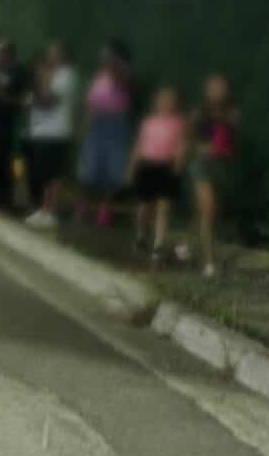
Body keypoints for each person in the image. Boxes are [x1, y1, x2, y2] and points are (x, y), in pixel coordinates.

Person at [128, 86, 187, 265]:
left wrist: (178, 165)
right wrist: (132, 166)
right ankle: (141, 236)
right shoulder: (149, 122)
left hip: (167, 167)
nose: (166, 103)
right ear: (157, 102)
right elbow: (139, 144)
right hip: (148, 165)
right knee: (144, 207)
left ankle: (158, 244)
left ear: (175, 103)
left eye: (170, 100)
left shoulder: (179, 123)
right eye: (163, 99)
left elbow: (182, 145)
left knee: (164, 208)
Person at [76, 41, 133, 228]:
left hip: (116, 124)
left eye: (108, 55)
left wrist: (115, 63)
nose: (104, 59)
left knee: (112, 171)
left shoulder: (124, 73)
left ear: (117, 57)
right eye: (103, 55)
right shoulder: (99, 78)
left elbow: (121, 79)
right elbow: (91, 105)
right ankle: (84, 206)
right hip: (97, 124)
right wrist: (85, 127)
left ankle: (105, 210)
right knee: (89, 169)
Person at [189, 74, 237, 278]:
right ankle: (209, 262)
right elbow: (192, 141)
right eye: (214, 87)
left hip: (221, 166)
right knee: (209, 209)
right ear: (207, 91)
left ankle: (189, 244)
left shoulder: (232, 114)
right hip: (202, 165)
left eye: (221, 87)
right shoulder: (198, 113)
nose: (218, 91)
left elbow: (232, 144)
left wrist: (226, 150)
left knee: (207, 211)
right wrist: (208, 148)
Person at [23, 41, 76, 227]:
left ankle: (52, 212)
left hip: (56, 133)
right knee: (45, 173)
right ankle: (44, 210)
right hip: (42, 132)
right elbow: (33, 100)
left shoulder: (66, 75)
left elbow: (49, 99)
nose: (49, 57)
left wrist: (42, 78)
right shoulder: (52, 75)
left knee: (54, 174)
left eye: (53, 54)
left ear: (62, 56)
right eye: (49, 53)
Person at [0, 41, 26, 211]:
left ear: (9, 55)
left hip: (9, 123)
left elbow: (22, 100)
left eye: (1, 52)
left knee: (6, 161)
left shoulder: (18, 72)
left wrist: (3, 97)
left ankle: (7, 200)